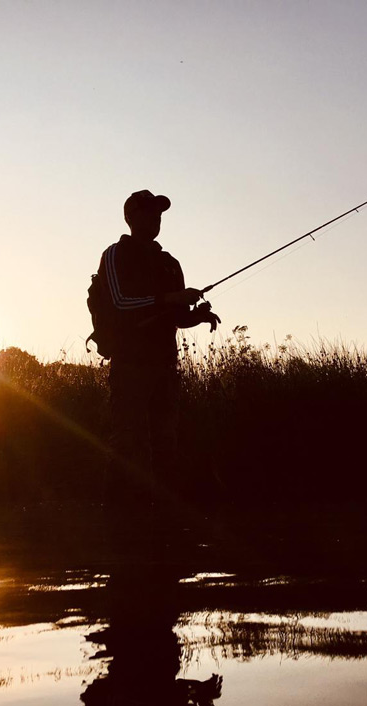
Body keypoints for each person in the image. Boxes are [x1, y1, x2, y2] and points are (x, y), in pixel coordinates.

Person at [98, 190, 220, 523]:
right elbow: (121, 303)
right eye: (149, 212)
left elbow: (176, 318)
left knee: (166, 443)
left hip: (166, 366)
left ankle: (162, 520)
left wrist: (197, 316)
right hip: (130, 367)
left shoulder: (170, 263)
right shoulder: (115, 254)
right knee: (128, 442)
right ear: (130, 217)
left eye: (159, 213)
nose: (156, 218)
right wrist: (169, 298)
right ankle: (117, 519)